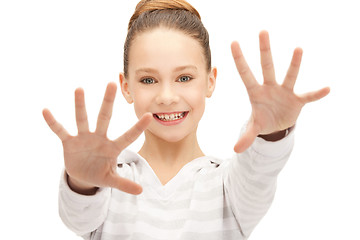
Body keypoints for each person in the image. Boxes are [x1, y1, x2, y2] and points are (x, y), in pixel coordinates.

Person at [42, 0, 330, 239]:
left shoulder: (230, 186)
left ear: (210, 81)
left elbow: (261, 170)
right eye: (148, 79)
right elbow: (78, 218)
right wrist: (80, 181)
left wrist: (272, 133)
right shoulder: (108, 179)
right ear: (126, 86)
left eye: (184, 77)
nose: (167, 96)